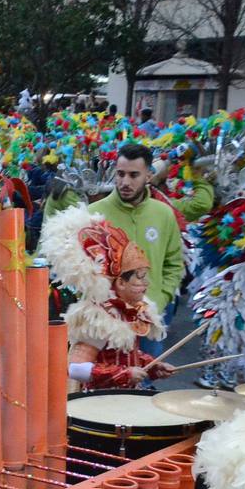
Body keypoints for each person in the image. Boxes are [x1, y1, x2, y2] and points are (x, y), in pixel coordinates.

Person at [40, 205, 175, 389]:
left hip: (122, 403)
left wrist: (151, 366)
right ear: (120, 283)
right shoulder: (98, 317)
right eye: (140, 277)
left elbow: (125, 354)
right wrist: (123, 374)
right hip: (100, 406)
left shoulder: (128, 310)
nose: (146, 284)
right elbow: (75, 368)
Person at [88, 142, 184, 357]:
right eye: (120, 174)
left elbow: (174, 263)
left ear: (149, 176)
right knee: (105, 383)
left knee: (146, 380)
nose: (125, 182)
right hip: (106, 320)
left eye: (134, 175)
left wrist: (159, 300)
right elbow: (81, 270)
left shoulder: (164, 214)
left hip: (150, 316)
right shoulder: (93, 214)